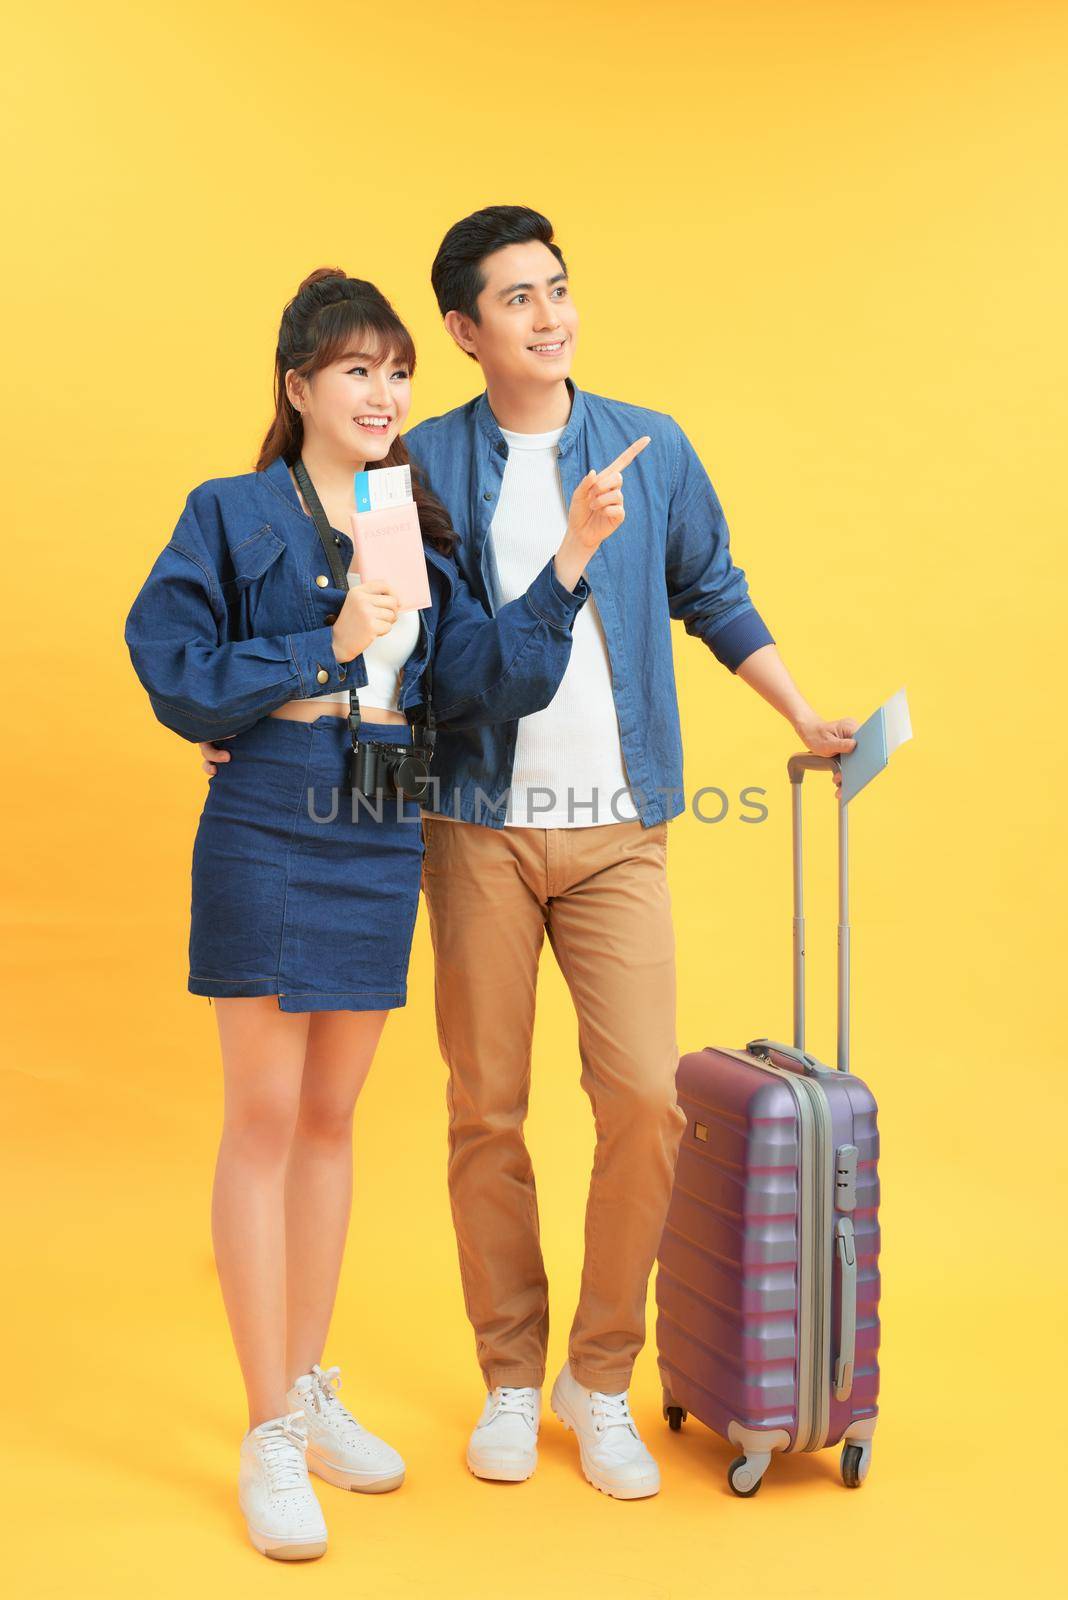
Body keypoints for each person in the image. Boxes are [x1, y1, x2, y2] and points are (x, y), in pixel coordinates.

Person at [200, 210, 858, 1503]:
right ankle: (510, 1373)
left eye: (559, 290)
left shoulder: (644, 448)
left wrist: (797, 709)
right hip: (468, 823)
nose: (549, 316)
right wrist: (256, 717)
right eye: (518, 299)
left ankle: (597, 1379)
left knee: (646, 1104)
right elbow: (338, 616)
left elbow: (709, 586)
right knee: (482, 1108)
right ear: (466, 330)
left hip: (620, 823)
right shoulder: (415, 462)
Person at [125, 267, 643, 1558]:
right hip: (269, 815)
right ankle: (264, 1435)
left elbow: (478, 680)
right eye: (357, 369)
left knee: (332, 1119)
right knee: (260, 1116)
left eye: (399, 371)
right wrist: (321, 646)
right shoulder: (232, 512)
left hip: (380, 814)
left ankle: (303, 1392)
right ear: (299, 388)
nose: (384, 392)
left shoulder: (405, 515)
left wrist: (572, 556)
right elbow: (171, 666)